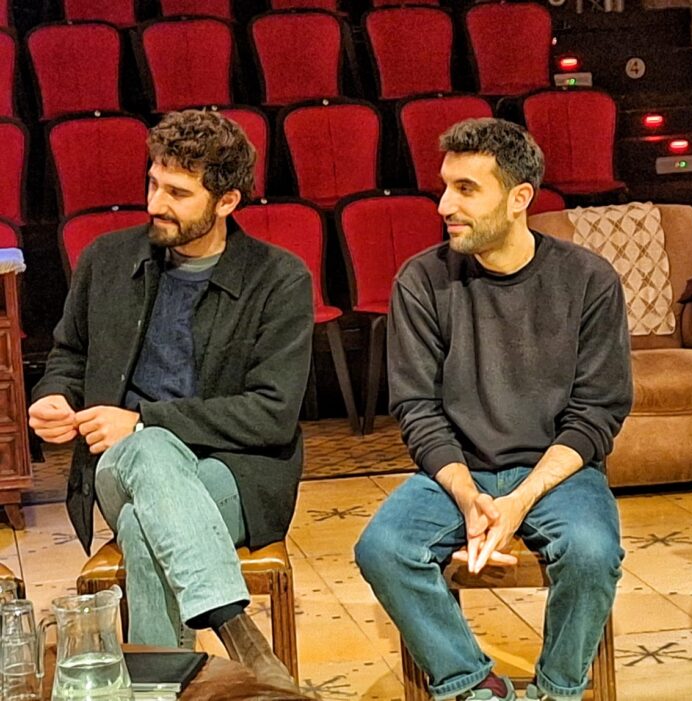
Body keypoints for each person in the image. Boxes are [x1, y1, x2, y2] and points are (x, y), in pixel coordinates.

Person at [28, 110, 312, 691]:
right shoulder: (106, 259)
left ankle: (158, 689)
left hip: (235, 473)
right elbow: (69, 355)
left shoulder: (279, 278)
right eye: (154, 183)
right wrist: (54, 395)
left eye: (178, 193)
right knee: (148, 452)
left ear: (227, 201)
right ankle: (235, 627)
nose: (156, 203)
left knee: (143, 524)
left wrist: (141, 423)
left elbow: (272, 412)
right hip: (119, 466)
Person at [354, 118, 632, 701]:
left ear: (519, 198)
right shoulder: (422, 280)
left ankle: (558, 691)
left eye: (466, 189)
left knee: (591, 553)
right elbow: (417, 408)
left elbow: (597, 413)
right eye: (445, 187)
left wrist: (520, 499)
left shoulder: (588, 280)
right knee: (383, 548)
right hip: (460, 471)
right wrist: (466, 493)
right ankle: (473, 683)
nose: (444, 206)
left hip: (558, 472)